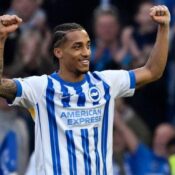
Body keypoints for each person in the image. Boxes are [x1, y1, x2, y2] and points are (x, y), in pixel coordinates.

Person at [0, 5, 170, 175]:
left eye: (88, 46)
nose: (85, 52)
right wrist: (1, 39)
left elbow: (152, 71)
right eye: (77, 47)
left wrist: (163, 28)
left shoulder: (105, 82)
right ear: (59, 52)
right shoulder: (41, 87)